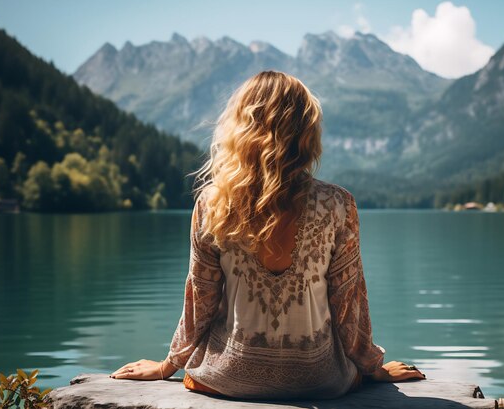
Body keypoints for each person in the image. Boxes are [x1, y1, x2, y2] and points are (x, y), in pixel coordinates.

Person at [110, 70, 426, 399]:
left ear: (240, 129)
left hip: (228, 377)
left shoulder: (212, 203)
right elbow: (349, 302)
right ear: (306, 131)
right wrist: (373, 368)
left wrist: (168, 366)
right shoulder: (338, 204)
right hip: (318, 380)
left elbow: (200, 298)